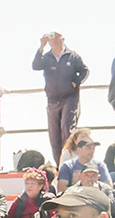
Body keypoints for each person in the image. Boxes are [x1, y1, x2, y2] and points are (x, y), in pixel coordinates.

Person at [33, 31, 89, 166]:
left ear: (63, 39)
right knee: (54, 134)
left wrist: (75, 82)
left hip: (69, 97)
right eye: (52, 39)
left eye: (58, 38)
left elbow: (84, 71)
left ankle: (71, 161)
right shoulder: (46, 57)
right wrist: (41, 47)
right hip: (52, 99)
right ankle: (60, 165)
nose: (55, 41)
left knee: (67, 128)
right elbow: (36, 66)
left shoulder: (72, 56)